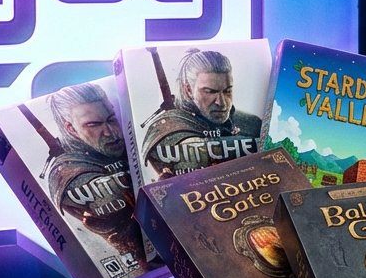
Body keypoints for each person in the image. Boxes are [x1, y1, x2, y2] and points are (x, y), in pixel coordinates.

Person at [47, 82, 147, 265]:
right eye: (93, 125)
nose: (110, 132)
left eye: (111, 119)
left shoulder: (129, 140)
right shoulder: (71, 174)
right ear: (71, 129)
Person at [143, 49, 263, 179]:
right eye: (210, 91)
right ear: (189, 90)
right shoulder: (168, 128)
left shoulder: (253, 124)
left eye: (227, 91)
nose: (221, 102)